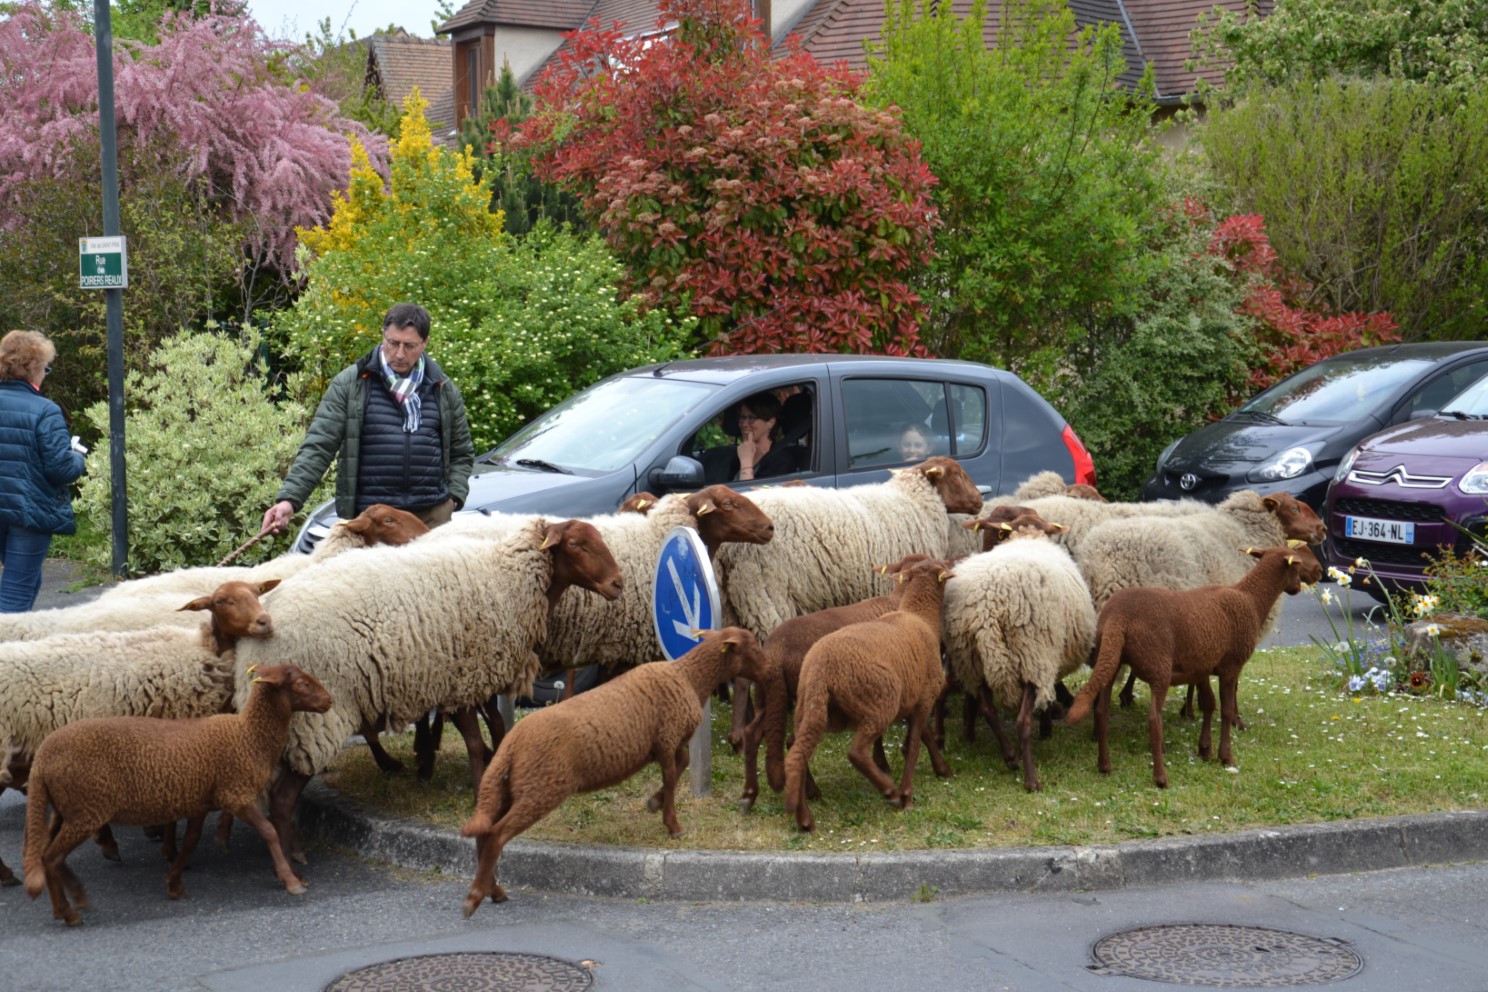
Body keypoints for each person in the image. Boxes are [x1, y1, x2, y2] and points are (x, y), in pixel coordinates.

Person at [262, 303, 476, 537]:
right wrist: (289, 501)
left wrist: (452, 500)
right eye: (393, 343)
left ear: (425, 343)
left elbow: (461, 452)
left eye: (410, 346)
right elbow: (319, 446)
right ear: (383, 335)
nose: (399, 354)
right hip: (370, 520)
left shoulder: (443, 389)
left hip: (429, 518)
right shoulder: (350, 384)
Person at [0, 330, 87, 612]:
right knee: (16, 592)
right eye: (46, 368)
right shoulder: (45, 411)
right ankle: (9, 653)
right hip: (29, 512)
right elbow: (60, 469)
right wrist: (76, 457)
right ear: (35, 368)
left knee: (27, 580)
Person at [733, 391, 796, 482]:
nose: (744, 424)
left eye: (751, 418)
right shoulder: (740, 455)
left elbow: (753, 495)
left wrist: (746, 463)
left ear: (770, 422)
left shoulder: (781, 461)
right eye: (742, 417)